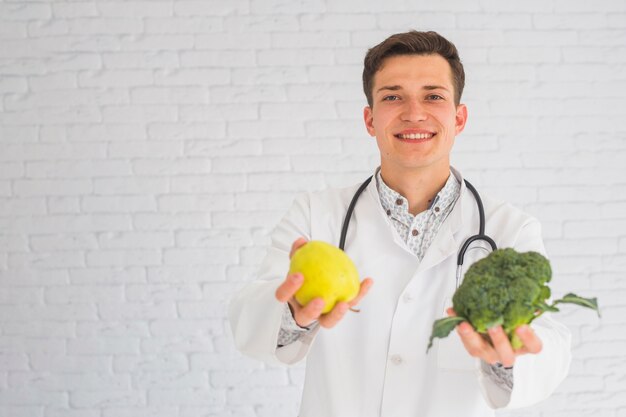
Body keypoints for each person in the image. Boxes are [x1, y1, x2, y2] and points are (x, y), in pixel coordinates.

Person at [229, 30, 571, 417]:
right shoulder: (315, 215)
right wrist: (292, 313)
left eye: (433, 96)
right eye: (392, 96)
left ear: (458, 118)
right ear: (370, 119)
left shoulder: (509, 229)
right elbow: (249, 317)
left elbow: (550, 341)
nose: (413, 112)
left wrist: (508, 358)